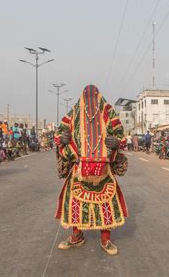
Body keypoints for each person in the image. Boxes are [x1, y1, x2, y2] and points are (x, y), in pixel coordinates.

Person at [55, 85, 128, 256]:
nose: (90, 102)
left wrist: (117, 143)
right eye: (87, 98)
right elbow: (59, 135)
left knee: (106, 204)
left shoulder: (109, 112)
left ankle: (105, 238)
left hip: (103, 169)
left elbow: (121, 136)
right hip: (79, 168)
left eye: (93, 98)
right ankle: (76, 235)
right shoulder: (73, 113)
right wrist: (63, 139)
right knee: (74, 203)